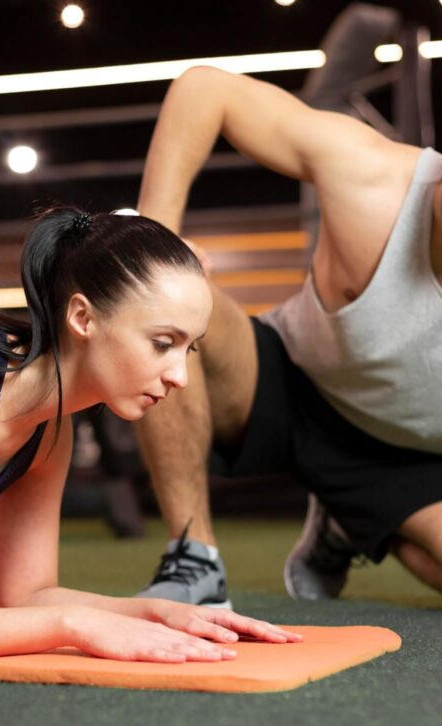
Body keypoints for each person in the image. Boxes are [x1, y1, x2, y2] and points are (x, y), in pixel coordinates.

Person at [0, 206, 302, 662]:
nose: (180, 377)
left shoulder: (50, 432)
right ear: (83, 318)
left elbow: (28, 596)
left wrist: (157, 612)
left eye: (189, 349)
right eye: (162, 343)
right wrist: (77, 625)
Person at [134, 66, 442, 605]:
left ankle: (347, 522)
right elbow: (206, 90)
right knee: (158, 297)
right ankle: (194, 557)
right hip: (286, 381)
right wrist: (153, 243)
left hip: (409, 453)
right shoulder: (369, 176)